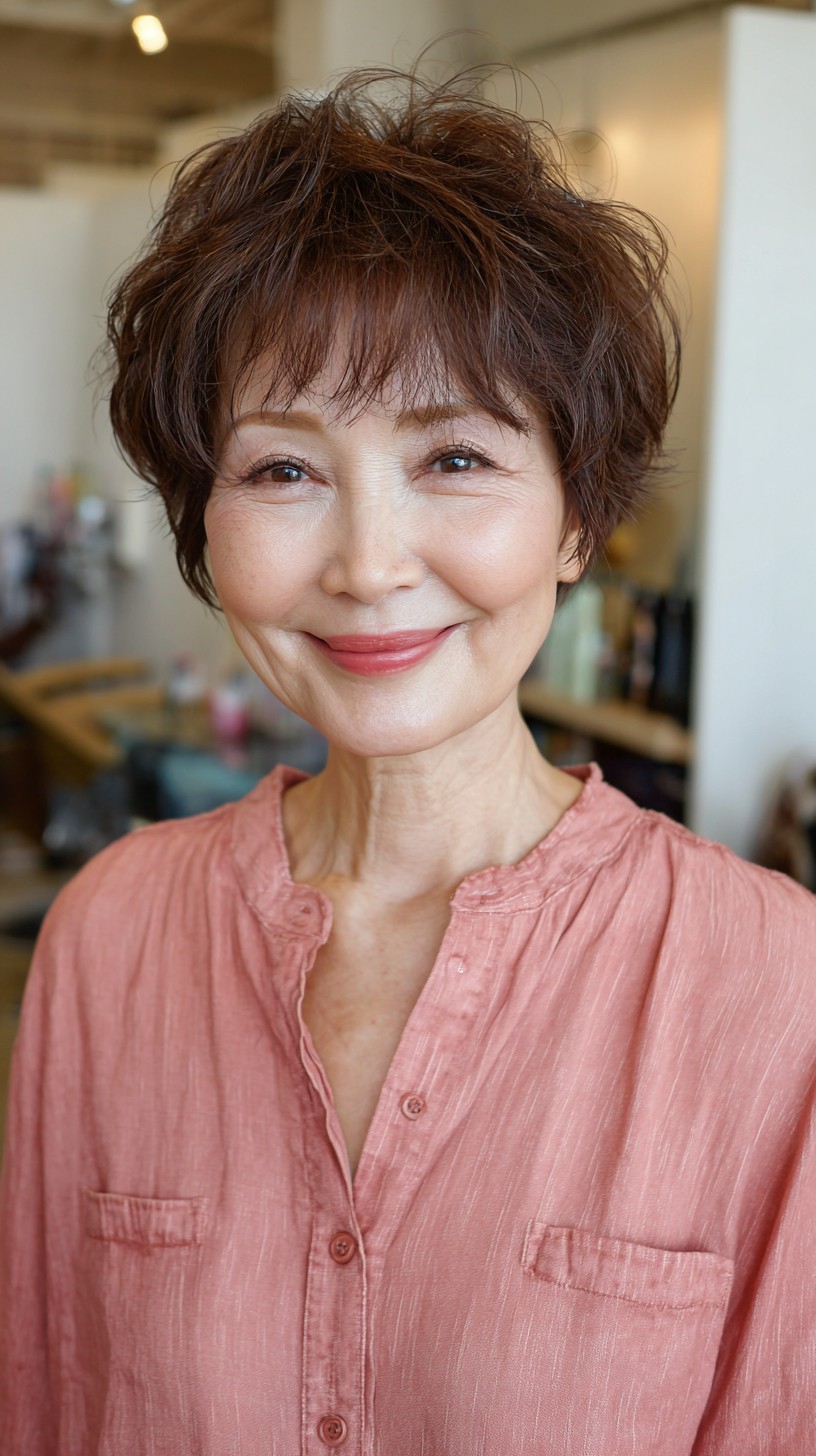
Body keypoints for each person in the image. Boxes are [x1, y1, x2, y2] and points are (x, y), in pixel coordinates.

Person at [1, 68, 814, 1456]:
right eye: (282, 472)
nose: (371, 567)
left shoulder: (776, 996)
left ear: (578, 517)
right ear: (206, 525)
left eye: (453, 456)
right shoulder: (105, 940)